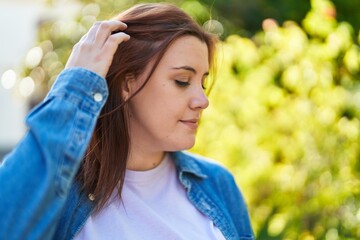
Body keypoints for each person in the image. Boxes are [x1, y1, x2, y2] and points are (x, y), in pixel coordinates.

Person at [0, 3, 254, 240]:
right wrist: (76, 85)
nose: (202, 100)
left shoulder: (217, 184)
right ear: (126, 83)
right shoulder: (61, 194)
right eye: (182, 81)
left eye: (203, 83)